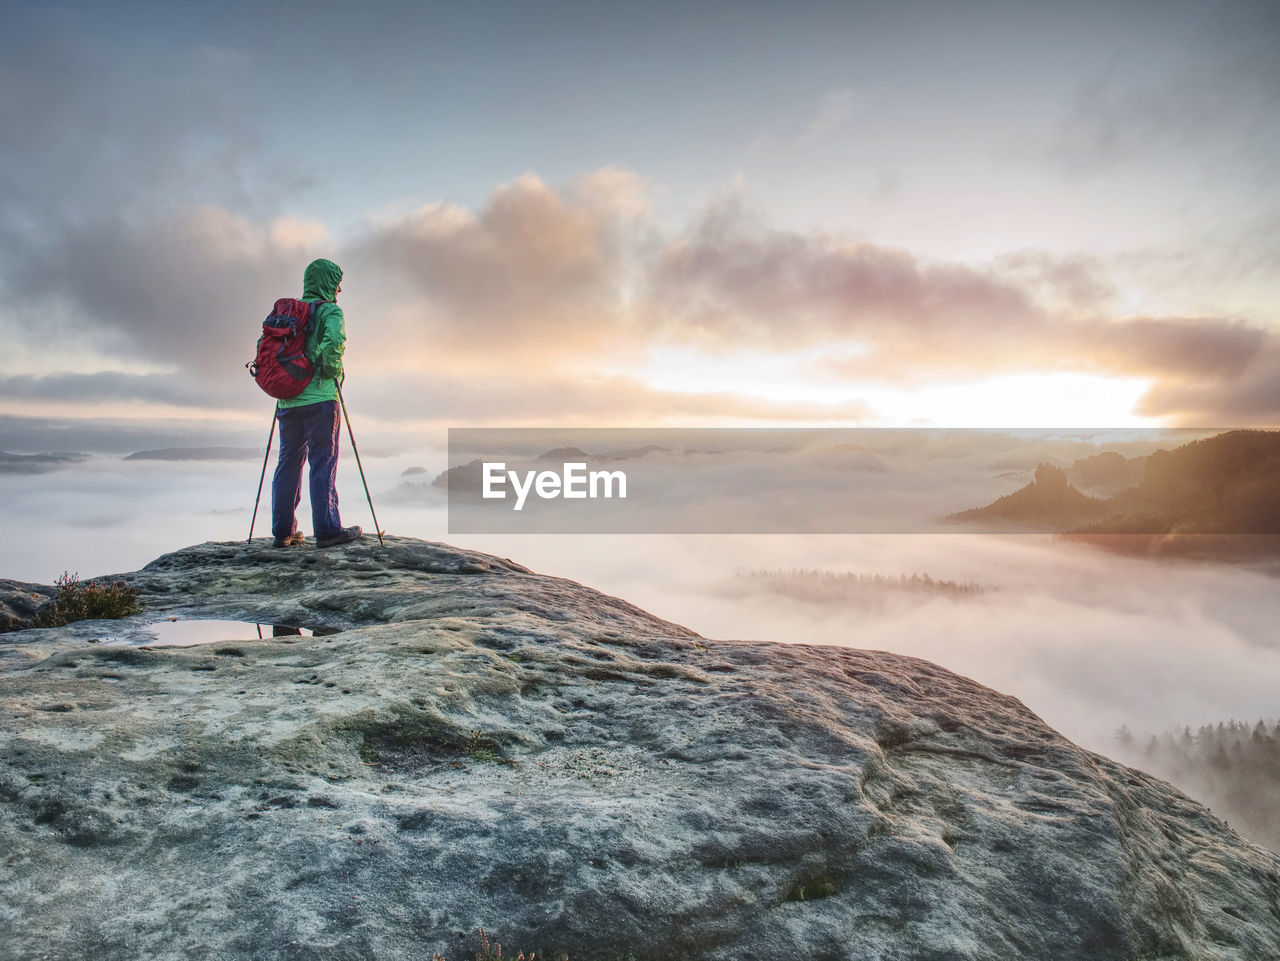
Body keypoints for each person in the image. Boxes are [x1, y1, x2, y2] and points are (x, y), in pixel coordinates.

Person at [270, 258, 363, 549]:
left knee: (288, 461)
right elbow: (334, 341)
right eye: (337, 284)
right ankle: (327, 529)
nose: (339, 290)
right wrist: (330, 370)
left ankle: (283, 531)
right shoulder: (330, 311)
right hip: (321, 398)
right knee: (322, 461)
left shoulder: (288, 313)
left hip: (287, 399)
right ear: (328, 283)